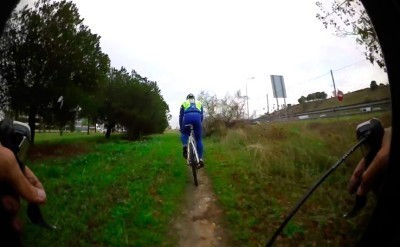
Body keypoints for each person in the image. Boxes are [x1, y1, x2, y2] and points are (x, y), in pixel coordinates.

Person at [179, 93, 205, 168]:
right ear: (194, 98)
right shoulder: (199, 103)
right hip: (197, 118)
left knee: (184, 134)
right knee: (199, 139)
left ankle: (185, 146)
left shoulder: (184, 103)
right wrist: (199, 125)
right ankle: (200, 159)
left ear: (187, 98)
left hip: (187, 118)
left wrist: (181, 128)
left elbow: (181, 117)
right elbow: (202, 116)